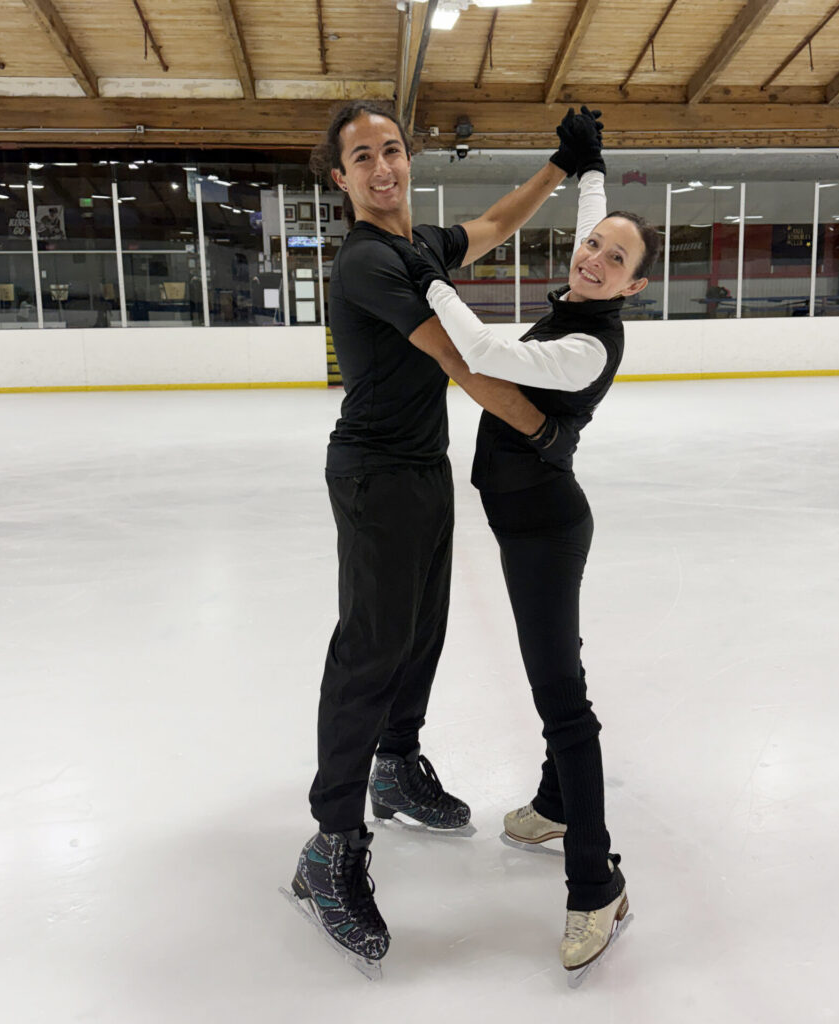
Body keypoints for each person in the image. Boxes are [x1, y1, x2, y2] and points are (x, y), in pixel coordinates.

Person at [289, 99, 600, 970]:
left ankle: (395, 763)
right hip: (375, 475)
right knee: (370, 649)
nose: (382, 167)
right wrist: (542, 429)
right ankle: (330, 846)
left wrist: (560, 166)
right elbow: (462, 364)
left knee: (419, 633)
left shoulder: (417, 245)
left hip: (422, 471)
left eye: (392, 150)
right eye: (363, 157)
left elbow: (497, 222)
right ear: (340, 177)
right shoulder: (366, 266)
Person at [389, 107, 662, 973]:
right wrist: (589, 170)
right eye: (595, 248)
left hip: (546, 530)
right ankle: (553, 799)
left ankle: (597, 885)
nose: (594, 256)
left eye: (615, 260)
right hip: (526, 523)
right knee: (558, 670)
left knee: (561, 699)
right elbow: (593, 224)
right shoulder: (585, 288)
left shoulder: (585, 347)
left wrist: (423, 273)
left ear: (632, 289)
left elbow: (476, 351)